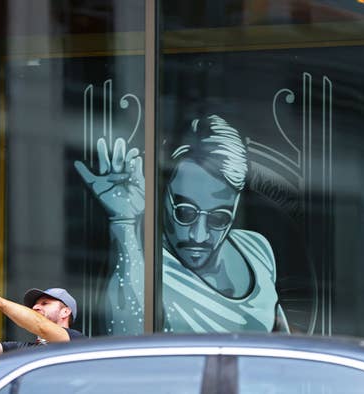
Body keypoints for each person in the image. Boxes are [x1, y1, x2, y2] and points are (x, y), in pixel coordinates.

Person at [75, 114, 290, 334]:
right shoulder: (144, 260)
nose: (198, 235)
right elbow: (127, 342)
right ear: (163, 192)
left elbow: (282, 341)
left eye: (219, 218)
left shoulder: (256, 248)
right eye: (185, 213)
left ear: (236, 205)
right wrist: (123, 221)